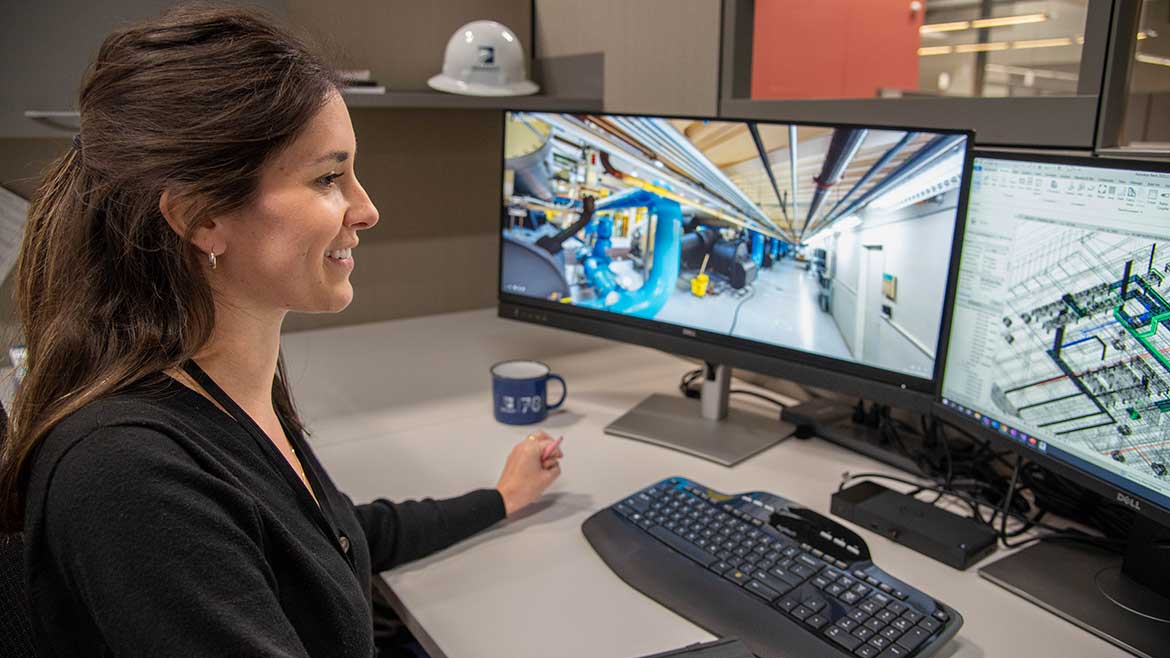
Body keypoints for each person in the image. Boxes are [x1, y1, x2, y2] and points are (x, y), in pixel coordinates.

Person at [0, 7, 563, 657]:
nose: (367, 208)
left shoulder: (228, 386)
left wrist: (499, 499)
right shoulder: (130, 479)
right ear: (201, 218)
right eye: (329, 177)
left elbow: (330, 537)